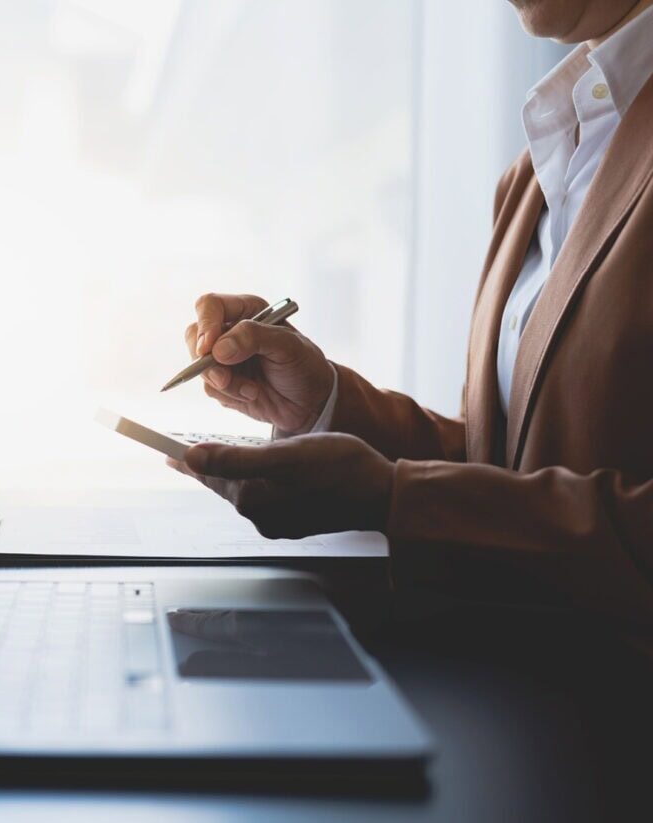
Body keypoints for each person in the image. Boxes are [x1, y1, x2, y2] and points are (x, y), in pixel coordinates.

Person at [171, 0, 653, 625]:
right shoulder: (539, 167)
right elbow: (505, 463)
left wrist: (393, 500)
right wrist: (322, 405)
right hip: (511, 686)